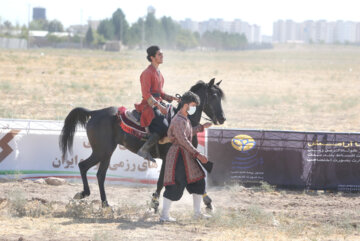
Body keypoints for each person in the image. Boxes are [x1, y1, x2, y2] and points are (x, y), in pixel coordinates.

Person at [160, 91, 212, 222]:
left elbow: (187, 133)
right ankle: (164, 216)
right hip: (178, 156)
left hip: (185, 156)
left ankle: (197, 213)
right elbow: (183, 140)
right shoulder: (178, 120)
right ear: (185, 105)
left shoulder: (184, 118)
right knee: (174, 185)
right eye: (193, 105)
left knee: (198, 181)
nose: (194, 108)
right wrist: (198, 154)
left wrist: (201, 127)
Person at [135, 46, 179, 162]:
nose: (162, 56)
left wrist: (172, 98)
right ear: (152, 57)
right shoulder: (147, 73)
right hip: (148, 106)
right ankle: (144, 149)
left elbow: (160, 92)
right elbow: (146, 94)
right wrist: (158, 106)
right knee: (163, 126)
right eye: (159, 54)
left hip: (158, 103)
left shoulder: (159, 72)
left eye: (162, 54)